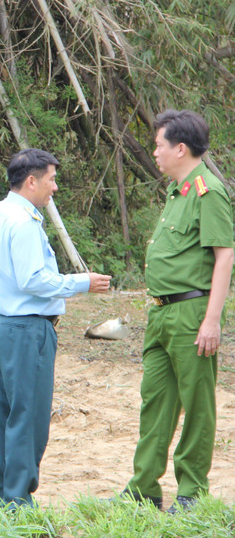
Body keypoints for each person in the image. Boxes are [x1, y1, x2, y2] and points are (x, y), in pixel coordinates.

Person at [0, 148, 111, 509]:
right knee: (29, 417)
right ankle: (19, 503)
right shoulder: (22, 221)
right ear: (32, 181)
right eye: (51, 179)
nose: (55, 187)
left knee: (6, 414)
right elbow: (33, 280)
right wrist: (81, 282)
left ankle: (3, 498)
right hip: (26, 330)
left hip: (3, 325)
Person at [118, 110, 234, 514]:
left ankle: (190, 493)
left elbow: (225, 257)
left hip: (191, 312)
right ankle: (143, 488)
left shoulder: (208, 191)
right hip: (161, 314)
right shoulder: (178, 192)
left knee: (197, 403)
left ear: (180, 148)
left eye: (159, 145)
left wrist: (211, 319)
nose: (155, 152)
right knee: (155, 401)